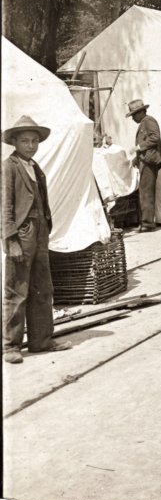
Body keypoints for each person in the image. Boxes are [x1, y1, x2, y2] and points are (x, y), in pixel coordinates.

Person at [2, 116, 72, 364]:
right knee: (16, 290)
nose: (30, 145)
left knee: (43, 288)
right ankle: (10, 345)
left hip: (40, 232)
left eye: (34, 141)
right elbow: (6, 206)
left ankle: (41, 340)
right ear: (14, 141)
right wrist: (10, 240)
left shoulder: (35, 167)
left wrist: (46, 227)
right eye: (24, 141)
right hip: (22, 234)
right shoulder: (8, 167)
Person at [127, 99, 161, 232]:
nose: (132, 118)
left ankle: (147, 223)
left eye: (134, 115)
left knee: (146, 192)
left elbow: (155, 137)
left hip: (149, 161)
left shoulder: (148, 121)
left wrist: (139, 147)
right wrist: (137, 159)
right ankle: (146, 222)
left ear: (141, 112)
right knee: (144, 191)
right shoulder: (144, 122)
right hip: (145, 160)